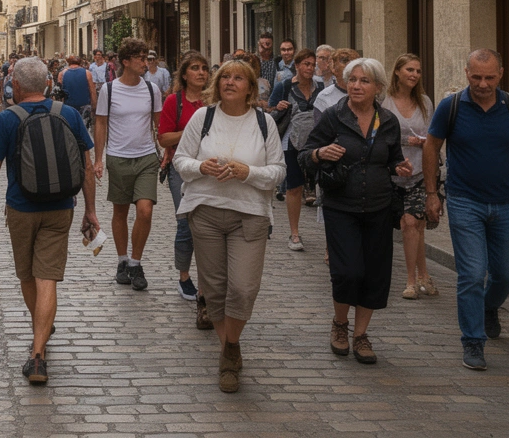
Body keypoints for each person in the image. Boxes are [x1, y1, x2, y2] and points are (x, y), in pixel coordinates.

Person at [423, 48, 509, 372]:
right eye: (476, 77)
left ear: (500, 74)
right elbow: (431, 146)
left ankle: (487, 307)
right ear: (466, 73)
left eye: (489, 77)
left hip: (505, 203)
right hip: (463, 201)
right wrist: (431, 193)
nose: (483, 84)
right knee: (471, 273)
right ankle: (472, 340)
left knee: (506, 273)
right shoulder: (451, 106)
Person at [0, 57, 98, 386]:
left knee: (28, 275)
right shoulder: (69, 114)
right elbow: (86, 167)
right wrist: (91, 210)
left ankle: (38, 342)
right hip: (61, 208)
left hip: (20, 208)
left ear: (15, 85)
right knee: (48, 280)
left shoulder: (6, 119)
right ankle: (39, 352)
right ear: (47, 84)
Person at [171, 59, 285, 393]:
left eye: (238, 78)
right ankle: (229, 350)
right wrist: (201, 166)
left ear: (251, 88)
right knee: (216, 289)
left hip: (250, 214)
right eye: (225, 78)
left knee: (244, 288)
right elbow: (180, 160)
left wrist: (247, 172)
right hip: (205, 212)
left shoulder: (264, 123)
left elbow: (278, 170)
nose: (230, 83)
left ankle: (230, 345)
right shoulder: (202, 117)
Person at [300, 57, 412, 366]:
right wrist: (320, 153)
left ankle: (361, 335)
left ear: (378, 87)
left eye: (364, 81)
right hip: (341, 205)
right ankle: (340, 324)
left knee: (375, 274)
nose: (357, 86)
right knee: (348, 271)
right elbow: (305, 156)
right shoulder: (334, 118)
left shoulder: (387, 120)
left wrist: (399, 167)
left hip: (378, 205)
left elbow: (392, 158)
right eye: (353, 80)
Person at [93, 37, 163, 291]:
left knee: (145, 210)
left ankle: (136, 261)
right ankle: (122, 260)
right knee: (120, 212)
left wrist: (165, 150)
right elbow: (101, 123)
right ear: (126, 62)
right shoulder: (110, 90)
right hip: (118, 156)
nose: (146, 63)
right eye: (141, 58)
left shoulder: (151, 90)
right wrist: (98, 159)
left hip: (146, 157)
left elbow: (158, 123)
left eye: (147, 58)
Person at [157, 52, 211, 325]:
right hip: (180, 167)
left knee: (207, 223)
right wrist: (193, 128)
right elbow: (164, 137)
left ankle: (209, 280)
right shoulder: (173, 102)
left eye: (204, 68)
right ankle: (184, 277)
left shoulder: (214, 101)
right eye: (195, 68)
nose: (201, 73)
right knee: (185, 222)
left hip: (211, 168)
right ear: (184, 74)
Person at [381, 54, 438, 300]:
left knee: (412, 224)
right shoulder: (385, 102)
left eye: (418, 71)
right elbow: (381, 136)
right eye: (409, 70)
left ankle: (411, 281)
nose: (414, 75)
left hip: (419, 172)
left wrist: (425, 143)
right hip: (392, 173)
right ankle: (424, 276)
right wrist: (407, 141)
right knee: (411, 227)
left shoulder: (425, 102)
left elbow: (434, 138)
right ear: (397, 72)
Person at [268, 49, 319, 251]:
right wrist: (277, 106)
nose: (310, 68)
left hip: (316, 143)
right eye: (306, 64)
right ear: (296, 65)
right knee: (294, 187)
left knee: (321, 187)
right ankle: (294, 233)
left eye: (312, 64)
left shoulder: (320, 87)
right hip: (291, 142)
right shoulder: (285, 85)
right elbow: (269, 109)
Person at [58, 55, 96, 127]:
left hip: (68, 106)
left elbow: (59, 93)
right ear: (80, 63)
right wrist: (94, 107)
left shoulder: (62, 73)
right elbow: (92, 91)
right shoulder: (87, 73)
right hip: (84, 106)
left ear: (69, 63)